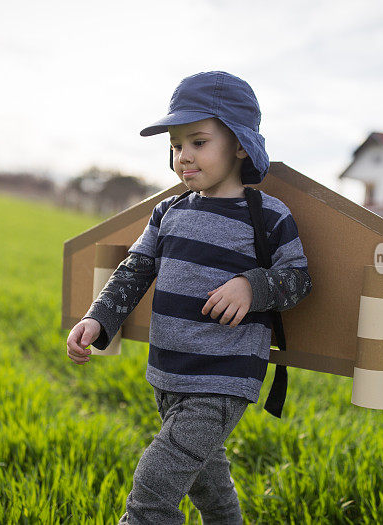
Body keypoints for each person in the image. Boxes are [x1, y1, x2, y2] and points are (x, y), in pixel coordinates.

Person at [66, 71, 312, 525]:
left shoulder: (268, 215)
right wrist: (98, 319)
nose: (184, 156)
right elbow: (135, 270)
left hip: (222, 378)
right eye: (177, 145)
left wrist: (252, 286)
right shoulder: (169, 212)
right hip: (168, 373)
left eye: (198, 142)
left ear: (239, 144)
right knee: (207, 482)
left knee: (153, 491)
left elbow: (297, 280)